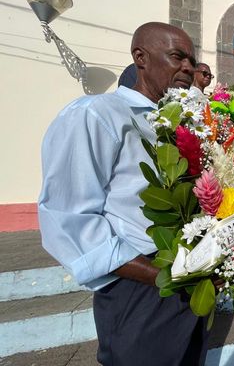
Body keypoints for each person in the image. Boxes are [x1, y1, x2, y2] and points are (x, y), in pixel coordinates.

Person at [38, 22, 212, 365]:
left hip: (186, 283)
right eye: (177, 56)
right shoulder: (96, 114)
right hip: (139, 286)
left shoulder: (178, 125)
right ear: (140, 57)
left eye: (192, 60)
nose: (189, 68)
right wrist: (160, 276)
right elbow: (68, 217)